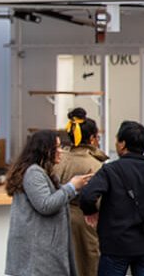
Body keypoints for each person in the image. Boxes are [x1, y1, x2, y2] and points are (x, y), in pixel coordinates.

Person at [4, 130, 92, 276]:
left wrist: (76, 187)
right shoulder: (33, 173)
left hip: (42, 254)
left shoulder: (42, 172)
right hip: (38, 256)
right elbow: (45, 205)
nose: (61, 151)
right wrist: (71, 187)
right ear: (44, 150)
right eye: (56, 147)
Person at [80, 121, 144, 276]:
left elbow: (88, 195)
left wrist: (91, 211)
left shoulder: (110, 170)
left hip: (116, 244)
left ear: (123, 144)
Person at [52, 108, 108, 276]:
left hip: (57, 219)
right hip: (86, 223)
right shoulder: (95, 164)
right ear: (91, 138)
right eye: (97, 137)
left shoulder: (59, 160)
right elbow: (100, 201)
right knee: (88, 266)